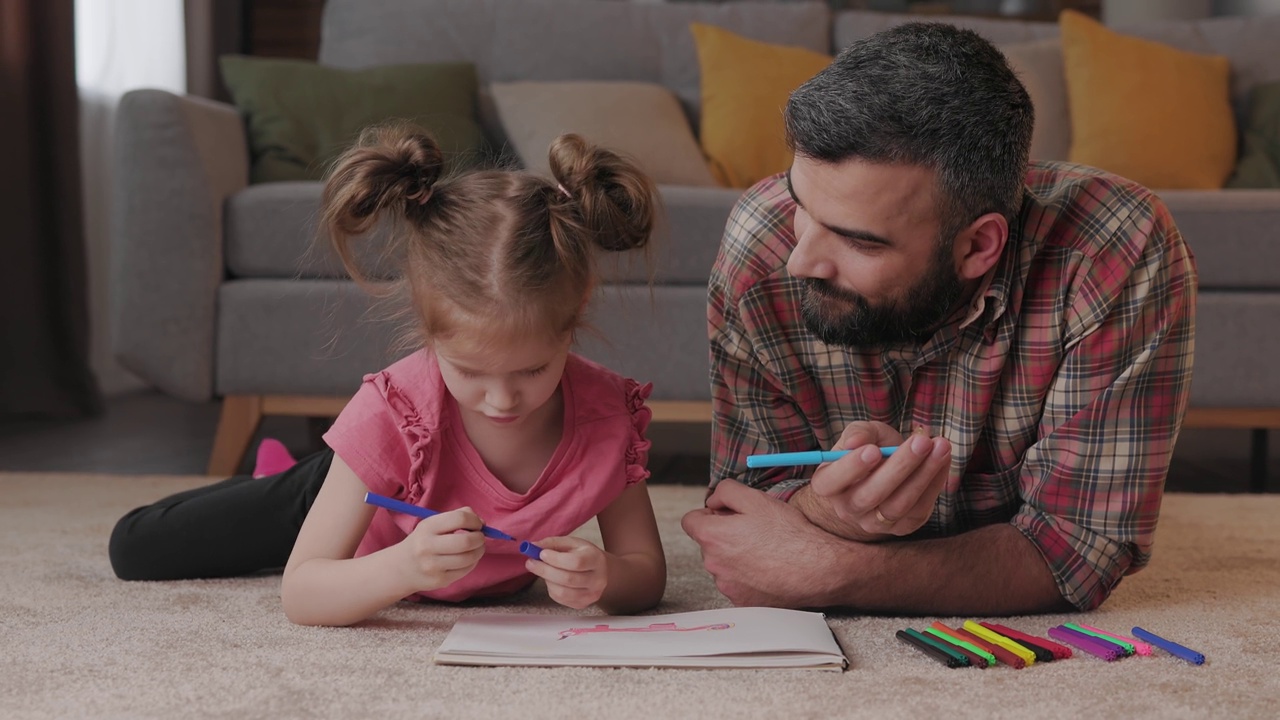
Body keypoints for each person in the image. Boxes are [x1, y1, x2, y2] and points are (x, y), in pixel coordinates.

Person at [681, 22, 1196, 616]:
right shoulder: (762, 245)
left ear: (979, 246)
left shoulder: (1113, 250)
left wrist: (839, 570)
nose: (801, 259)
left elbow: (1078, 552)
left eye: (857, 241)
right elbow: (740, 521)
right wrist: (831, 510)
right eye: (801, 204)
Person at [110, 127, 667, 626]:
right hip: (369, 485)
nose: (501, 399)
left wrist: (608, 578)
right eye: (470, 371)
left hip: (394, 482)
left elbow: (646, 574)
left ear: (575, 318)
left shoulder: (606, 417)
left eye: (532, 369)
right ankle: (283, 478)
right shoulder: (395, 412)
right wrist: (402, 568)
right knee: (137, 548)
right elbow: (302, 594)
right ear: (428, 333)